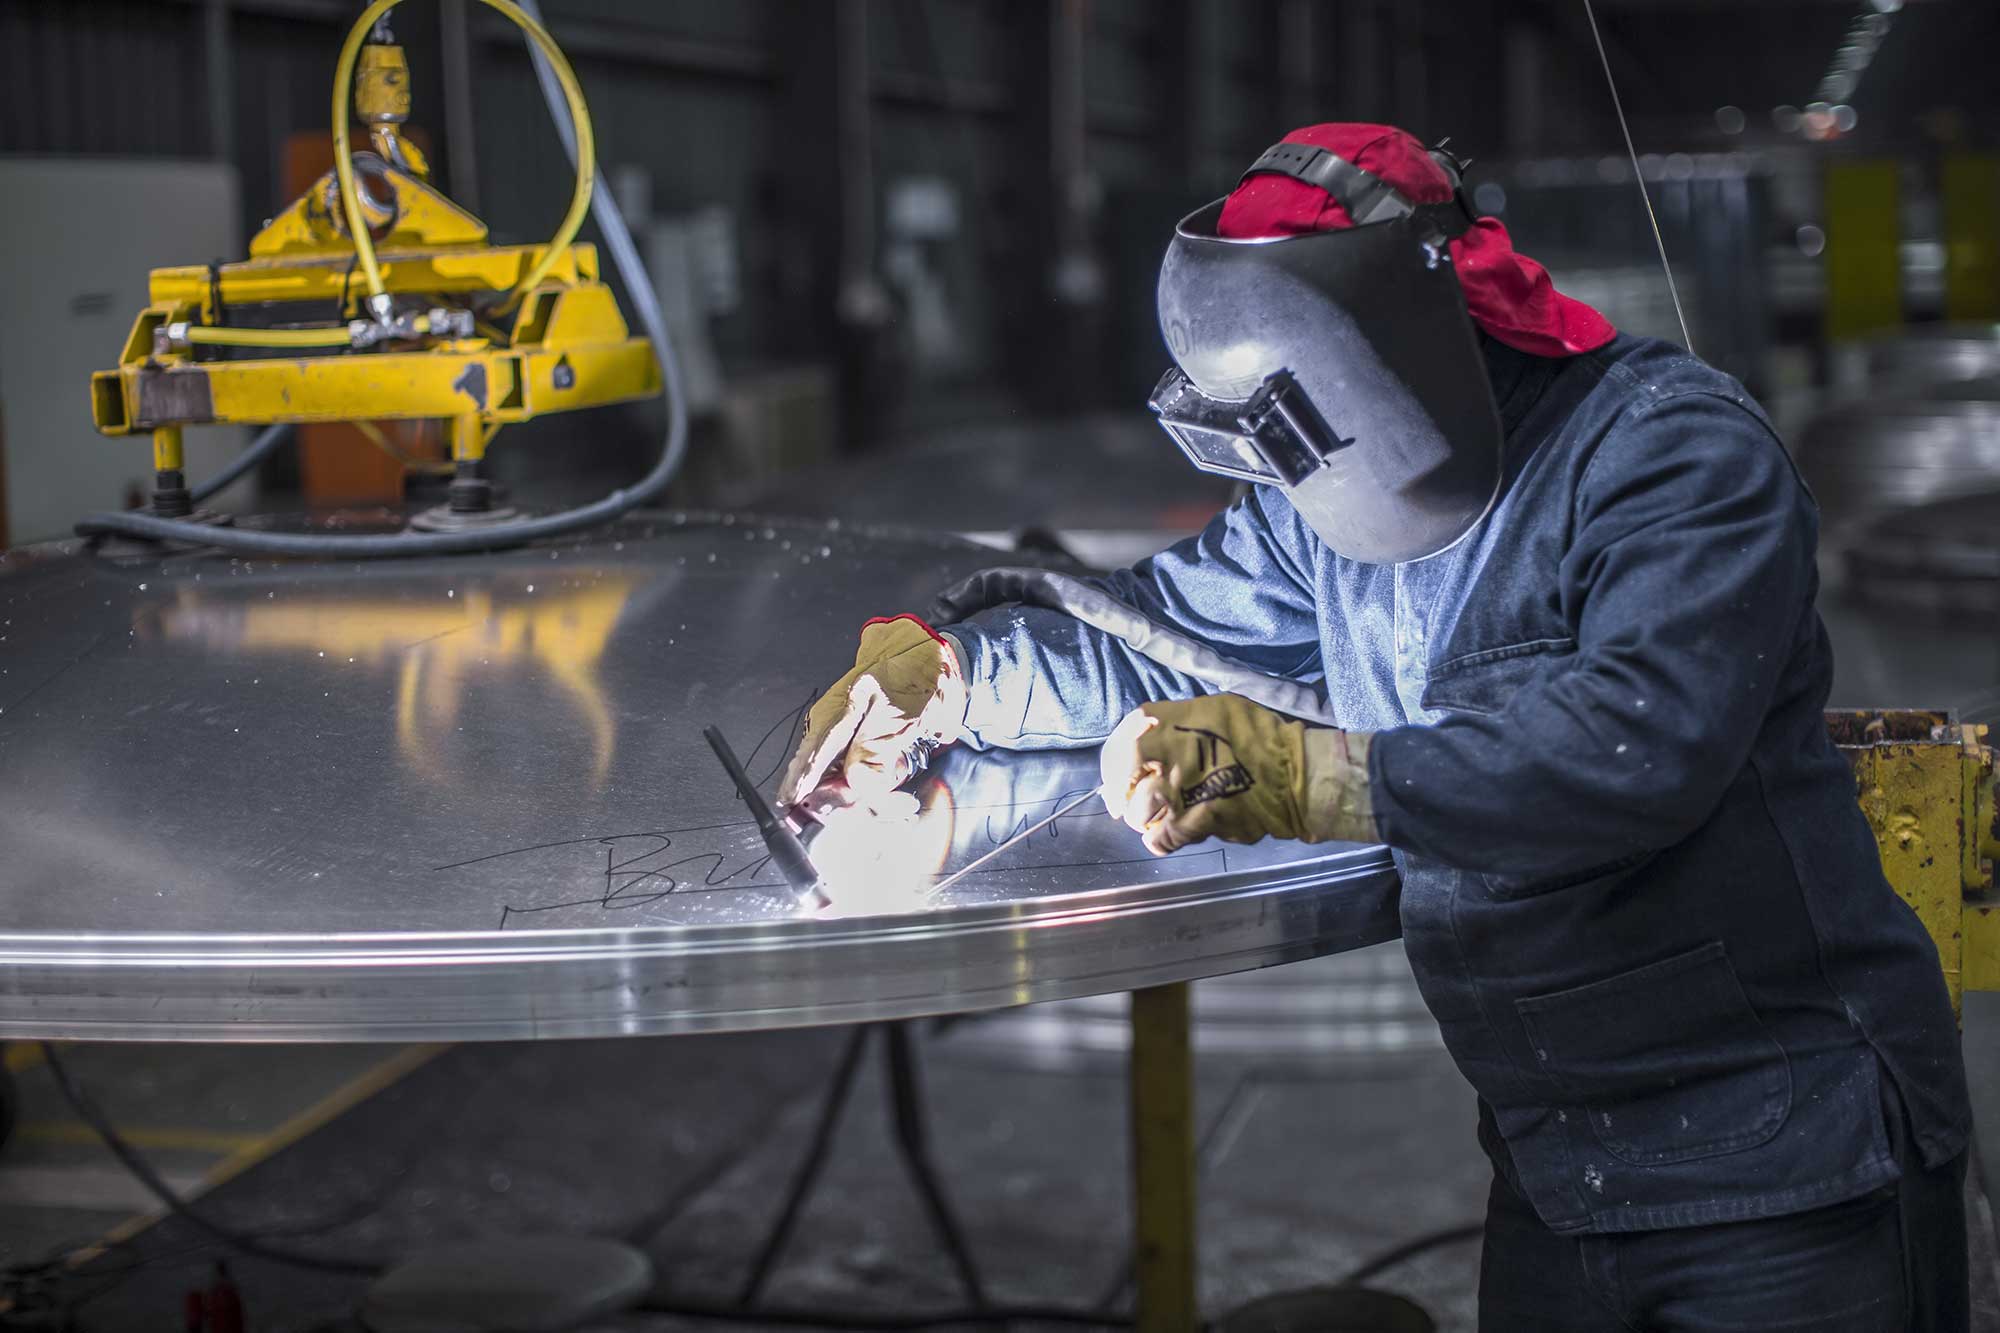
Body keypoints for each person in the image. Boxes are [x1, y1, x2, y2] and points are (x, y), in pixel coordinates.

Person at [778, 123, 1971, 1331]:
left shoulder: (1671, 456)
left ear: (1397, 344)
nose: (1290, 479)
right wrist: (952, 680)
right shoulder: (1326, 500)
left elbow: (1635, 746)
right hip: (1560, 1163)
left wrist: (1314, 778)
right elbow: (1148, 626)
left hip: (1784, 1167)